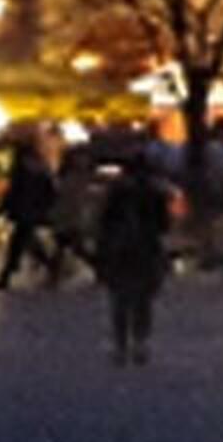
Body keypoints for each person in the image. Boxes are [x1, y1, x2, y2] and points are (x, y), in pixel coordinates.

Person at [94, 153, 171, 367]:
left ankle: (121, 344)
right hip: (146, 249)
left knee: (120, 299)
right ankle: (140, 341)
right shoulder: (155, 193)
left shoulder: (117, 193)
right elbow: (163, 225)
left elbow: (105, 222)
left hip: (120, 250)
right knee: (142, 299)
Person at [0, 135, 56, 289]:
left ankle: (5, 276)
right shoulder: (41, 168)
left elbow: (14, 191)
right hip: (31, 210)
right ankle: (49, 265)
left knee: (18, 242)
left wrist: (3, 207)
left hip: (24, 210)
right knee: (25, 240)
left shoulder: (21, 169)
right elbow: (49, 190)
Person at [47, 143, 97, 287]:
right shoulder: (69, 175)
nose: (82, 160)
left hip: (74, 214)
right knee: (68, 245)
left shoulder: (83, 176)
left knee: (68, 245)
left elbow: (79, 197)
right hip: (66, 213)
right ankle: (99, 268)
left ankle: (54, 276)